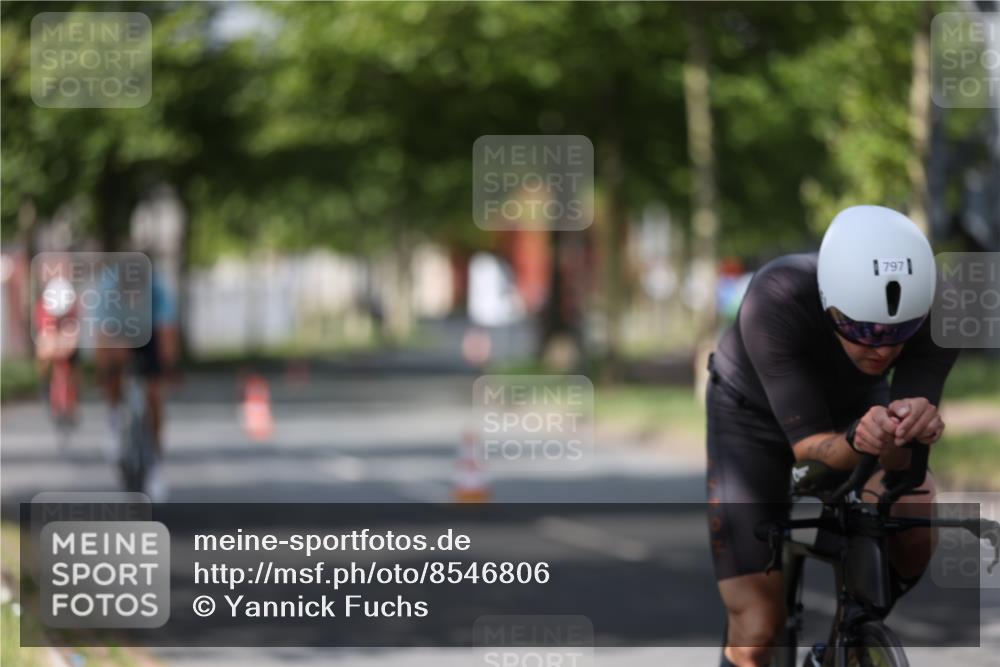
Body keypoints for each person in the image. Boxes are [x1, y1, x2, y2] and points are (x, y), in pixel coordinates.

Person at [706, 206, 958, 667]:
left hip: (859, 407)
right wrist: (861, 440)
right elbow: (810, 455)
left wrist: (912, 428)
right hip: (751, 419)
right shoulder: (776, 296)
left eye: (900, 332)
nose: (882, 349)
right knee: (756, 631)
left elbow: (902, 464)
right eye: (862, 330)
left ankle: (849, 635)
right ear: (827, 303)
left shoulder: (942, 308)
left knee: (914, 517)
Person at [95, 256, 179, 501]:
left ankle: (156, 466)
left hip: (150, 331)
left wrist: (167, 367)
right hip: (118, 328)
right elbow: (102, 336)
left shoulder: (158, 290)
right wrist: (106, 369)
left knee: (154, 394)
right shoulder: (108, 290)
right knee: (112, 366)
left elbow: (167, 334)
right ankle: (113, 417)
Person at [34, 269, 81, 421]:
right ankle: (44, 384)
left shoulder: (72, 308)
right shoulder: (43, 308)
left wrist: (66, 346)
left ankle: (74, 397)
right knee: (43, 354)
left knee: (74, 362)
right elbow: (45, 336)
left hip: (66, 337)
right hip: (51, 336)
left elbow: (72, 334)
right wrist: (51, 350)